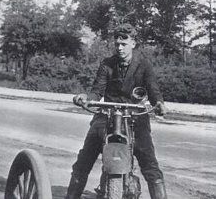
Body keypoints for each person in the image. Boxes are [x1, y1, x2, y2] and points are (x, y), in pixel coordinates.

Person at [65, 23, 168, 199]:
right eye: (117, 44)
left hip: (135, 118)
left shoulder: (144, 65)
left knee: (151, 166)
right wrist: (85, 97)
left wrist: (159, 103)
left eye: (124, 44)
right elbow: (97, 91)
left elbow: (153, 89)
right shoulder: (107, 64)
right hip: (107, 117)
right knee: (83, 162)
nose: (119, 48)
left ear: (133, 43)